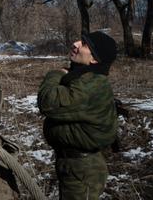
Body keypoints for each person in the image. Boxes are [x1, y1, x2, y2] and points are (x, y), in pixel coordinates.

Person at [37, 31, 119, 199]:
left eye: (84, 44)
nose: (75, 44)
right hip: (75, 165)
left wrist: (56, 74)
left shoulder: (92, 85)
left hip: (82, 170)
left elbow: (48, 101)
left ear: (94, 60)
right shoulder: (84, 77)